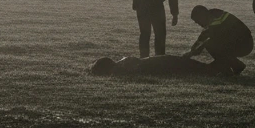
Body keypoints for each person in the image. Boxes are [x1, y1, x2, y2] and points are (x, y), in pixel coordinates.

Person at [186, 5, 254, 76]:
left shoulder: (216, 21)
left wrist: (192, 53)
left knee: (211, 45)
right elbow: (203, 37)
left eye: (197, 21)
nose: (198, 24)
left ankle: (230, 70)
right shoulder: (213, 15)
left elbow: (206, 39)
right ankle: (236, 66)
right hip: (242, 42)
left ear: (202, 16)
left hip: (244, 44)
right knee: (214, 45)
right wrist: (192, 51)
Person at [90, 54, 219, 78]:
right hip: (161, 62)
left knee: (188, 67)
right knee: (188, 65)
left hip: (162, 65)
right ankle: (216, 68)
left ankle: (217, 68)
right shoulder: (123, 62)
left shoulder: (122, 67)